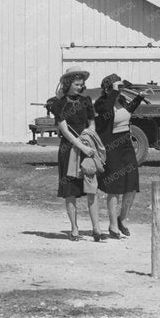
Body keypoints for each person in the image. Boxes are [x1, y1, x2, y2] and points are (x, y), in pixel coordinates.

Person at [47, 69, 106, 241]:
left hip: (87, 147)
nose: (80, 87)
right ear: (67, 84)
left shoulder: (86, 101)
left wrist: (89, 137)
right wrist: (81, 146)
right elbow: (65, 131)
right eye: (76, 84)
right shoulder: (58, 104)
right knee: (70, 190)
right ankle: (74, 228)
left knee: (92, 187)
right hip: (69, 150)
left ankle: (97, 228)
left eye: (81, 85)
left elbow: (92, 122)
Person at [95, 74, 140, 238]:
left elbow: (128, 111)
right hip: (110, 146)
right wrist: (113, 93)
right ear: (108, 88)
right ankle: (113, 226)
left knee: (132, 184)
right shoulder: (101, 103)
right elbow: (107, 111)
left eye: (121, 87)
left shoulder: (121, 100)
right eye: (117, 87)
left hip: (126, 144)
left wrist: (141, 97)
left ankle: (123, 218)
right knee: (114, 188)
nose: (121, 90)